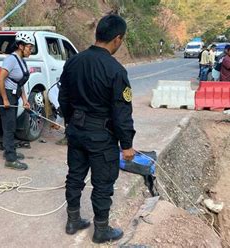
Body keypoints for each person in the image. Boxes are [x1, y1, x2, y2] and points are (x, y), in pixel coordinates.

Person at [59, 14, 136, 244]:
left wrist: (71, 122)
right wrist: (127, 144)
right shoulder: (116, 70)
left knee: (75, 176)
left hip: (76, 129)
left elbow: (63, 98)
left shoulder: (73, 61)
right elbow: (122, 113)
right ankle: (101, 230)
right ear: (117, 38)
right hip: (101, 135)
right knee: (103, 183)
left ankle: (73, 220)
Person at [0, 32, 34, 170]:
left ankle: (9, 151)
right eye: (29, 47)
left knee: (12, 125)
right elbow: (0, 79)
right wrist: (5, 99)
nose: (31, 50)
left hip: (15, 95)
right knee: (9, 127)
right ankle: (10, 159)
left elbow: (20, 82)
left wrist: (25, 100)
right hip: (6, 96)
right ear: (20, 46)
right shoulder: (11, 60)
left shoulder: (22, 61)